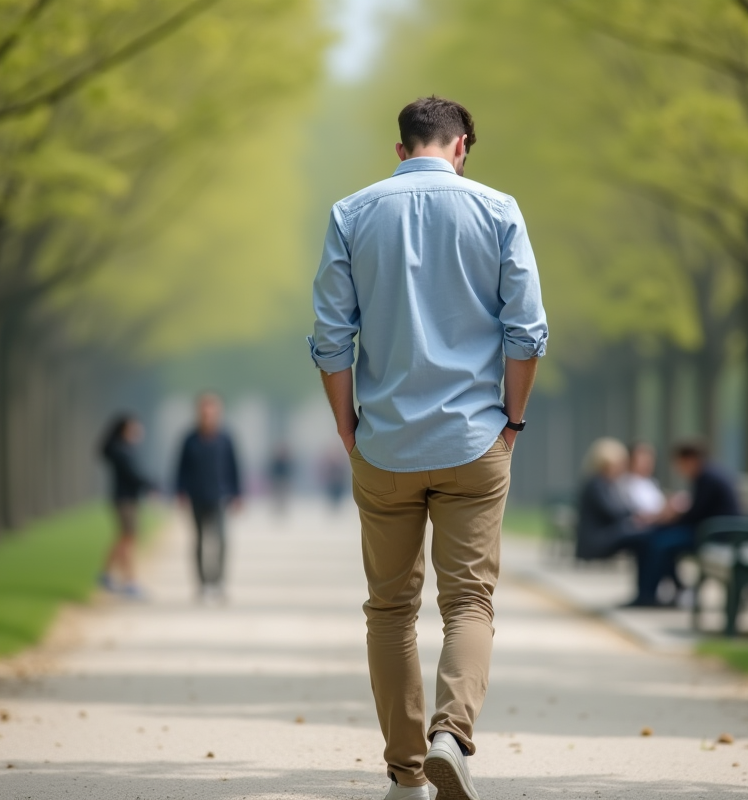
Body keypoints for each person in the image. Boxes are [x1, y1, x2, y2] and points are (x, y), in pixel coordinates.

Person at [308, 96, 547, 800]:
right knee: (469, 600)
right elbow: (527, 331)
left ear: (400, 149)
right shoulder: (499, 210)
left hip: (384, 445)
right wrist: (513, 421)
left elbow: (330, 337)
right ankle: (452, 734)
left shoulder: (351, 214)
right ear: (462, 145)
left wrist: (348, 426)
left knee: (390, 608)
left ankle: (406, 774)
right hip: (476, 440)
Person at [619, 439, 740, 607]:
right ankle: (659, 591)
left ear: (689, 459)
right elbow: (698, 512)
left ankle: (649, 594)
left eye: (679, 463)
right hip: (712, 531)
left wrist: (671, 518)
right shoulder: (707, 474)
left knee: (659, 543)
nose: (678, 468)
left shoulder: (707, 478)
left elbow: (695, 514)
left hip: (717, 535)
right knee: (656, 539)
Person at [175, 394, 242, 601]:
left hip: (220, 496)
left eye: (212, 411)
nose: (208, 415)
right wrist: (180, 491)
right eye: (204, 411)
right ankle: (202, 584)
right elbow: (180, 468)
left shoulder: (226, 438)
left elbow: (234, 466)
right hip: (196, 495)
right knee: (199, 540)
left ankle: (218, 582)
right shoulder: (189, 439)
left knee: (221, 540)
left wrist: (237, 494)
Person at [98, 414, 156, 597]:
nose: (138, 432)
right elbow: (134, 474)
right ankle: (129, 581)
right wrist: (152, 485)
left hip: (127, 499)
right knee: (128, 540)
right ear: (124, 430)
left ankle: (106, 574)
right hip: (125, 500)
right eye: (134, 428)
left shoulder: (124, 449)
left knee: (124, 538)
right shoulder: (121, 450)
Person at [575, 438, 637, 561]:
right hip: (595, 542)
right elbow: (613, 512)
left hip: (600, 538)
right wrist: (637, 515)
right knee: (640, 533)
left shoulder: (606, 484)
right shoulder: (597, 485)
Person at [624, 441, 666, 518]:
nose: (648, 463)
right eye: (643, 460)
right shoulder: (625, 484)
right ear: (631, 460)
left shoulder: (651, 482)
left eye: (650, 460)